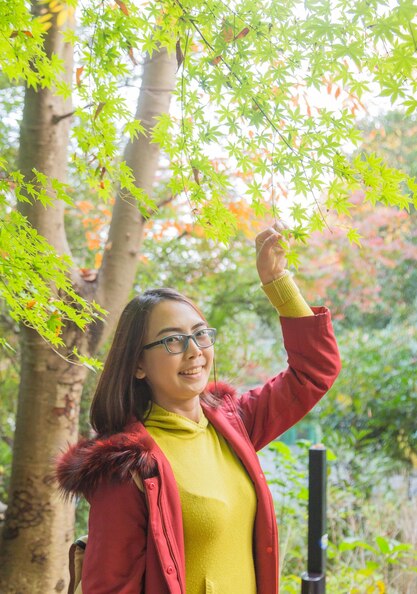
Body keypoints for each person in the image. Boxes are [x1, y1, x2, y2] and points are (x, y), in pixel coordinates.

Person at [56, 223, 341, 594]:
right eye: (173, 340)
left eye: (200, 334)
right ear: (138, 365)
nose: (194, 351)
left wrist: (277, 281)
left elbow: (314, 371)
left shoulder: (233, 423)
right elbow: (109, 587)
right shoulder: (127, 466)